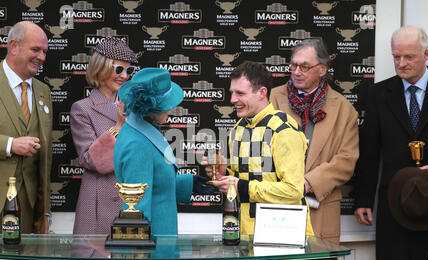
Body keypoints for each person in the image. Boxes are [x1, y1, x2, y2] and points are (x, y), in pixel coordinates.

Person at [354, 26, 428, 260]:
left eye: (409, 57)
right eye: (396, 57)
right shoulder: (378, 94)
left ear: (426, 54)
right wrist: (363, 199)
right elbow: (368, 151)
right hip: (393, 204)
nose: (401, 64)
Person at [206, 61, 313, 236]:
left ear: (262, 93)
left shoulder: (283, 129)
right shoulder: (238, 129)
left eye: (240, 93)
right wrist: (224, 176)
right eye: (232, 92)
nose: (233, 99)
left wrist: (242, 186)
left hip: (284, 234)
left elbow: (294, 190)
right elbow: (243, 181)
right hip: (246, 234)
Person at [270, 39, 359, 243]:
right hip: (276, 209)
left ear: (322, 69)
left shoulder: (344, 109)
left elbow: (347, 160)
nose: (296, 72)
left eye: (304, 66)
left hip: (320, 209)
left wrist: (309, 182)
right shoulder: (272, 99)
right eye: (293, 65)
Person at [113, 68, 214, 237]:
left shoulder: (141, 131)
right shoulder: (137, 144)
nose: (171, 109)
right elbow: (136, 209)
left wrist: (187, 184)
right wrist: (141, 259)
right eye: (167, 105)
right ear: (151, 106)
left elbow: (152, 184)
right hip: (154, 252)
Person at [70, 37, 138, 234]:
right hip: (99, 204)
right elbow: (90, 159)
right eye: (118, 69)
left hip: (133, 200)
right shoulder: (83, 108)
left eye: (129, 70)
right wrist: (118, 125)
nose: (124, 76)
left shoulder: (134, 108)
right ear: (100, 68)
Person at [0, 21, 52, 234]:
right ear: (14, 46)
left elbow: (45, 158)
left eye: (44, 52)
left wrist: (45, 212)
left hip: (29, 211)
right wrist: (10, 144)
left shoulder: (44, 92)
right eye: (35, 49)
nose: (41, 57)